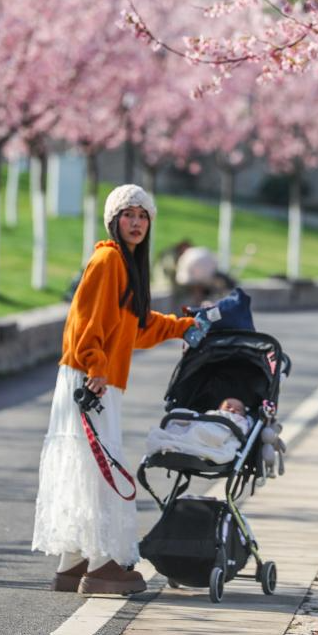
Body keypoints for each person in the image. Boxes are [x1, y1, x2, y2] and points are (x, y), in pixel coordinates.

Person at [32, 184, 197, 596]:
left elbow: (136, 329)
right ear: (113, 220)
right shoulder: (107, 259)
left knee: (88, 467)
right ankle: (104, 566)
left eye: (143, 216)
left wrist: (185, 326)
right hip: (92, 380)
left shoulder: (127, 267)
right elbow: (85, 319)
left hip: (99, 378)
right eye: (129, 214)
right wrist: (95, 365)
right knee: (101, 470)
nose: (137, 222)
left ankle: (73, 564)